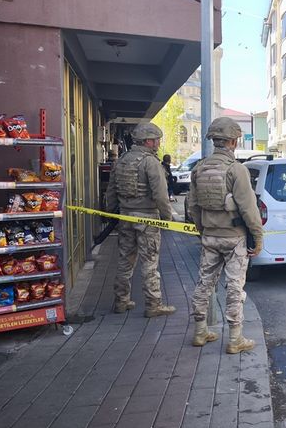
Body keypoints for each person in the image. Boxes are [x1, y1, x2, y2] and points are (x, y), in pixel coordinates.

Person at [188, 117, 264, 353]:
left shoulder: (198, 168)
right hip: (234, 238)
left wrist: (203, 231)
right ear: (233, 141)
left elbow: (193, 207)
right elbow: (249, 208)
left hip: (210, 236)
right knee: (234, 286)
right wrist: (258, 236)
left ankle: (200, 332)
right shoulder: (236, 169)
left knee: (204, 283)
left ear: (214, 140)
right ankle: (235, 339)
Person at [104, 122, 175, 316]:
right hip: (148, 220)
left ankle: (121, 301)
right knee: (149, 263)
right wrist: (167, 218)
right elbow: (161, 194)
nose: (159, 144)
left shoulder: (121, 160)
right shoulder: (150, 162)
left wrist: (111, 212)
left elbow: (111, 192)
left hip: (124, 217)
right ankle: (153, 305)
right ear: (148, 141)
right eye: (157, 140)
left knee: (125, 261)